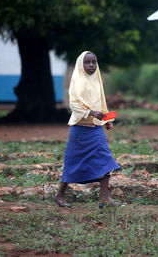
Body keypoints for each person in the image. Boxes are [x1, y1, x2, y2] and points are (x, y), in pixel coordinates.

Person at [53, 51, 120, 209]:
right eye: (87, 62)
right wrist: (91, 113)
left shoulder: (96, 79)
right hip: (80, 130)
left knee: (105, 161)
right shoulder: (78, 81)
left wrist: (106, 120)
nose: (91, 65)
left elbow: (101, 103)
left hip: (96, 130)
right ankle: (59, 195)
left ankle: (104, 200)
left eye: (94, 62)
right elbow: (74, 104)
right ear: (80, 64)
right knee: (73, 163)